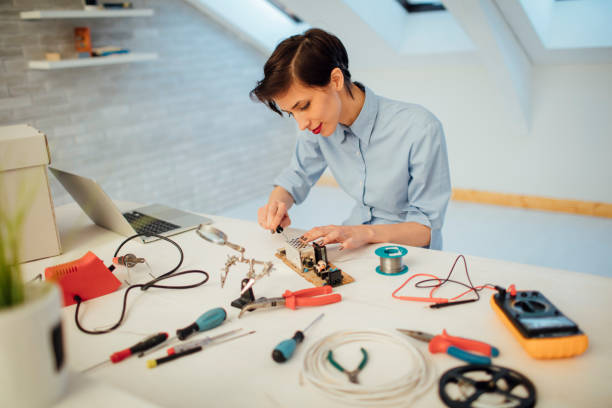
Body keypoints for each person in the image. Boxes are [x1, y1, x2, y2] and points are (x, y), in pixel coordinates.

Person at [250, 28, 451, 250]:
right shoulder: (317, 127)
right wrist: (276, 205)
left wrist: (362, 233)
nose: (301, 124)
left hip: (408, 252)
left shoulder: (420, 128)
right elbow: (296, 176)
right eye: (292, 113)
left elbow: (426, 230)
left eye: (304, 106)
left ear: (335, 80)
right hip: (354, 241)